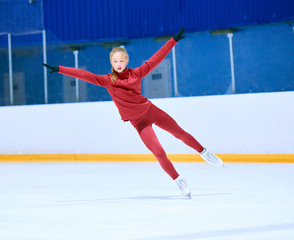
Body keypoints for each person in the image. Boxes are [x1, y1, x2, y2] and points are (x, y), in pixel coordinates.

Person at [43, 27, 224, 198]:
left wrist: (173, 41)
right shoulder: (106, 80)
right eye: (115, 61)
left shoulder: (137, 73)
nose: (119, 64)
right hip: (139, 123)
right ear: (111, 63)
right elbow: (84, 75)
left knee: (180, 133)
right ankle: (179, 181)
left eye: (121, 61)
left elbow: (156, 58)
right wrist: (59, 69)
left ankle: (204, 152)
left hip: (151, 111)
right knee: (159, 152)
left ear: (126, 61)